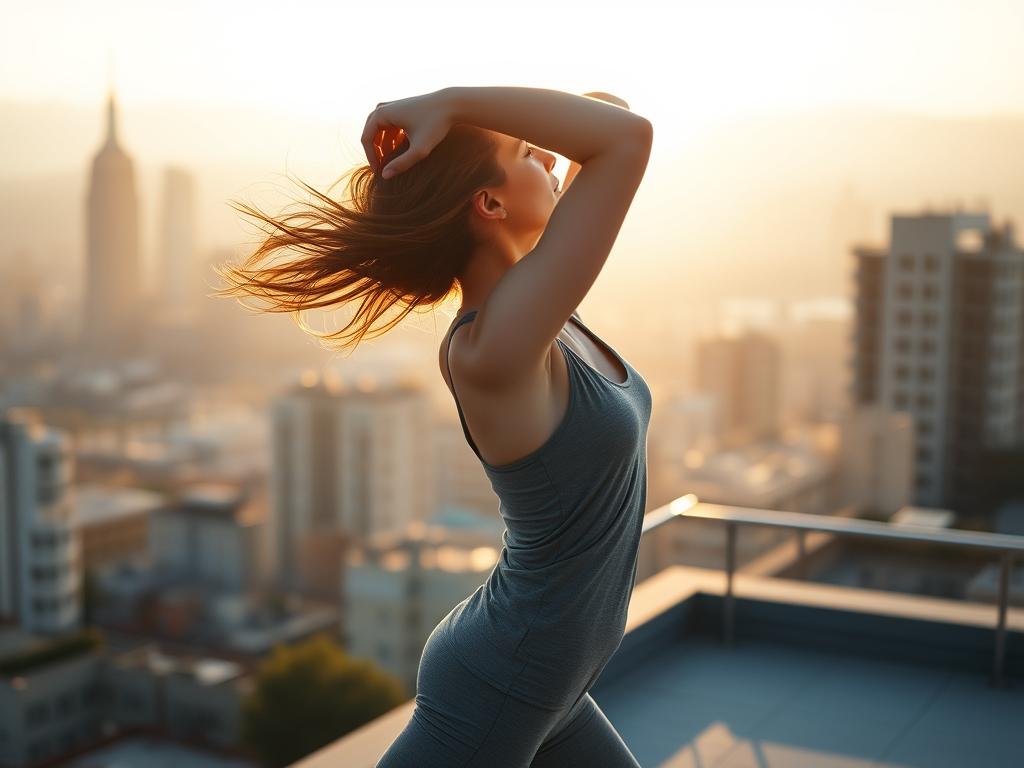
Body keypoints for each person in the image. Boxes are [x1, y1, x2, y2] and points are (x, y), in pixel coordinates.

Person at [213, 86, 653, 767]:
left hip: (555, 686)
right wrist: (448, 103)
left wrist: (462, 120)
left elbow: (611, 113)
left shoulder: (545, 311)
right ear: (489, 205)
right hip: (501, 681)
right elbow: (624, 138)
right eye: (526, 155)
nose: (549, 158)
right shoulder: (495, 349)